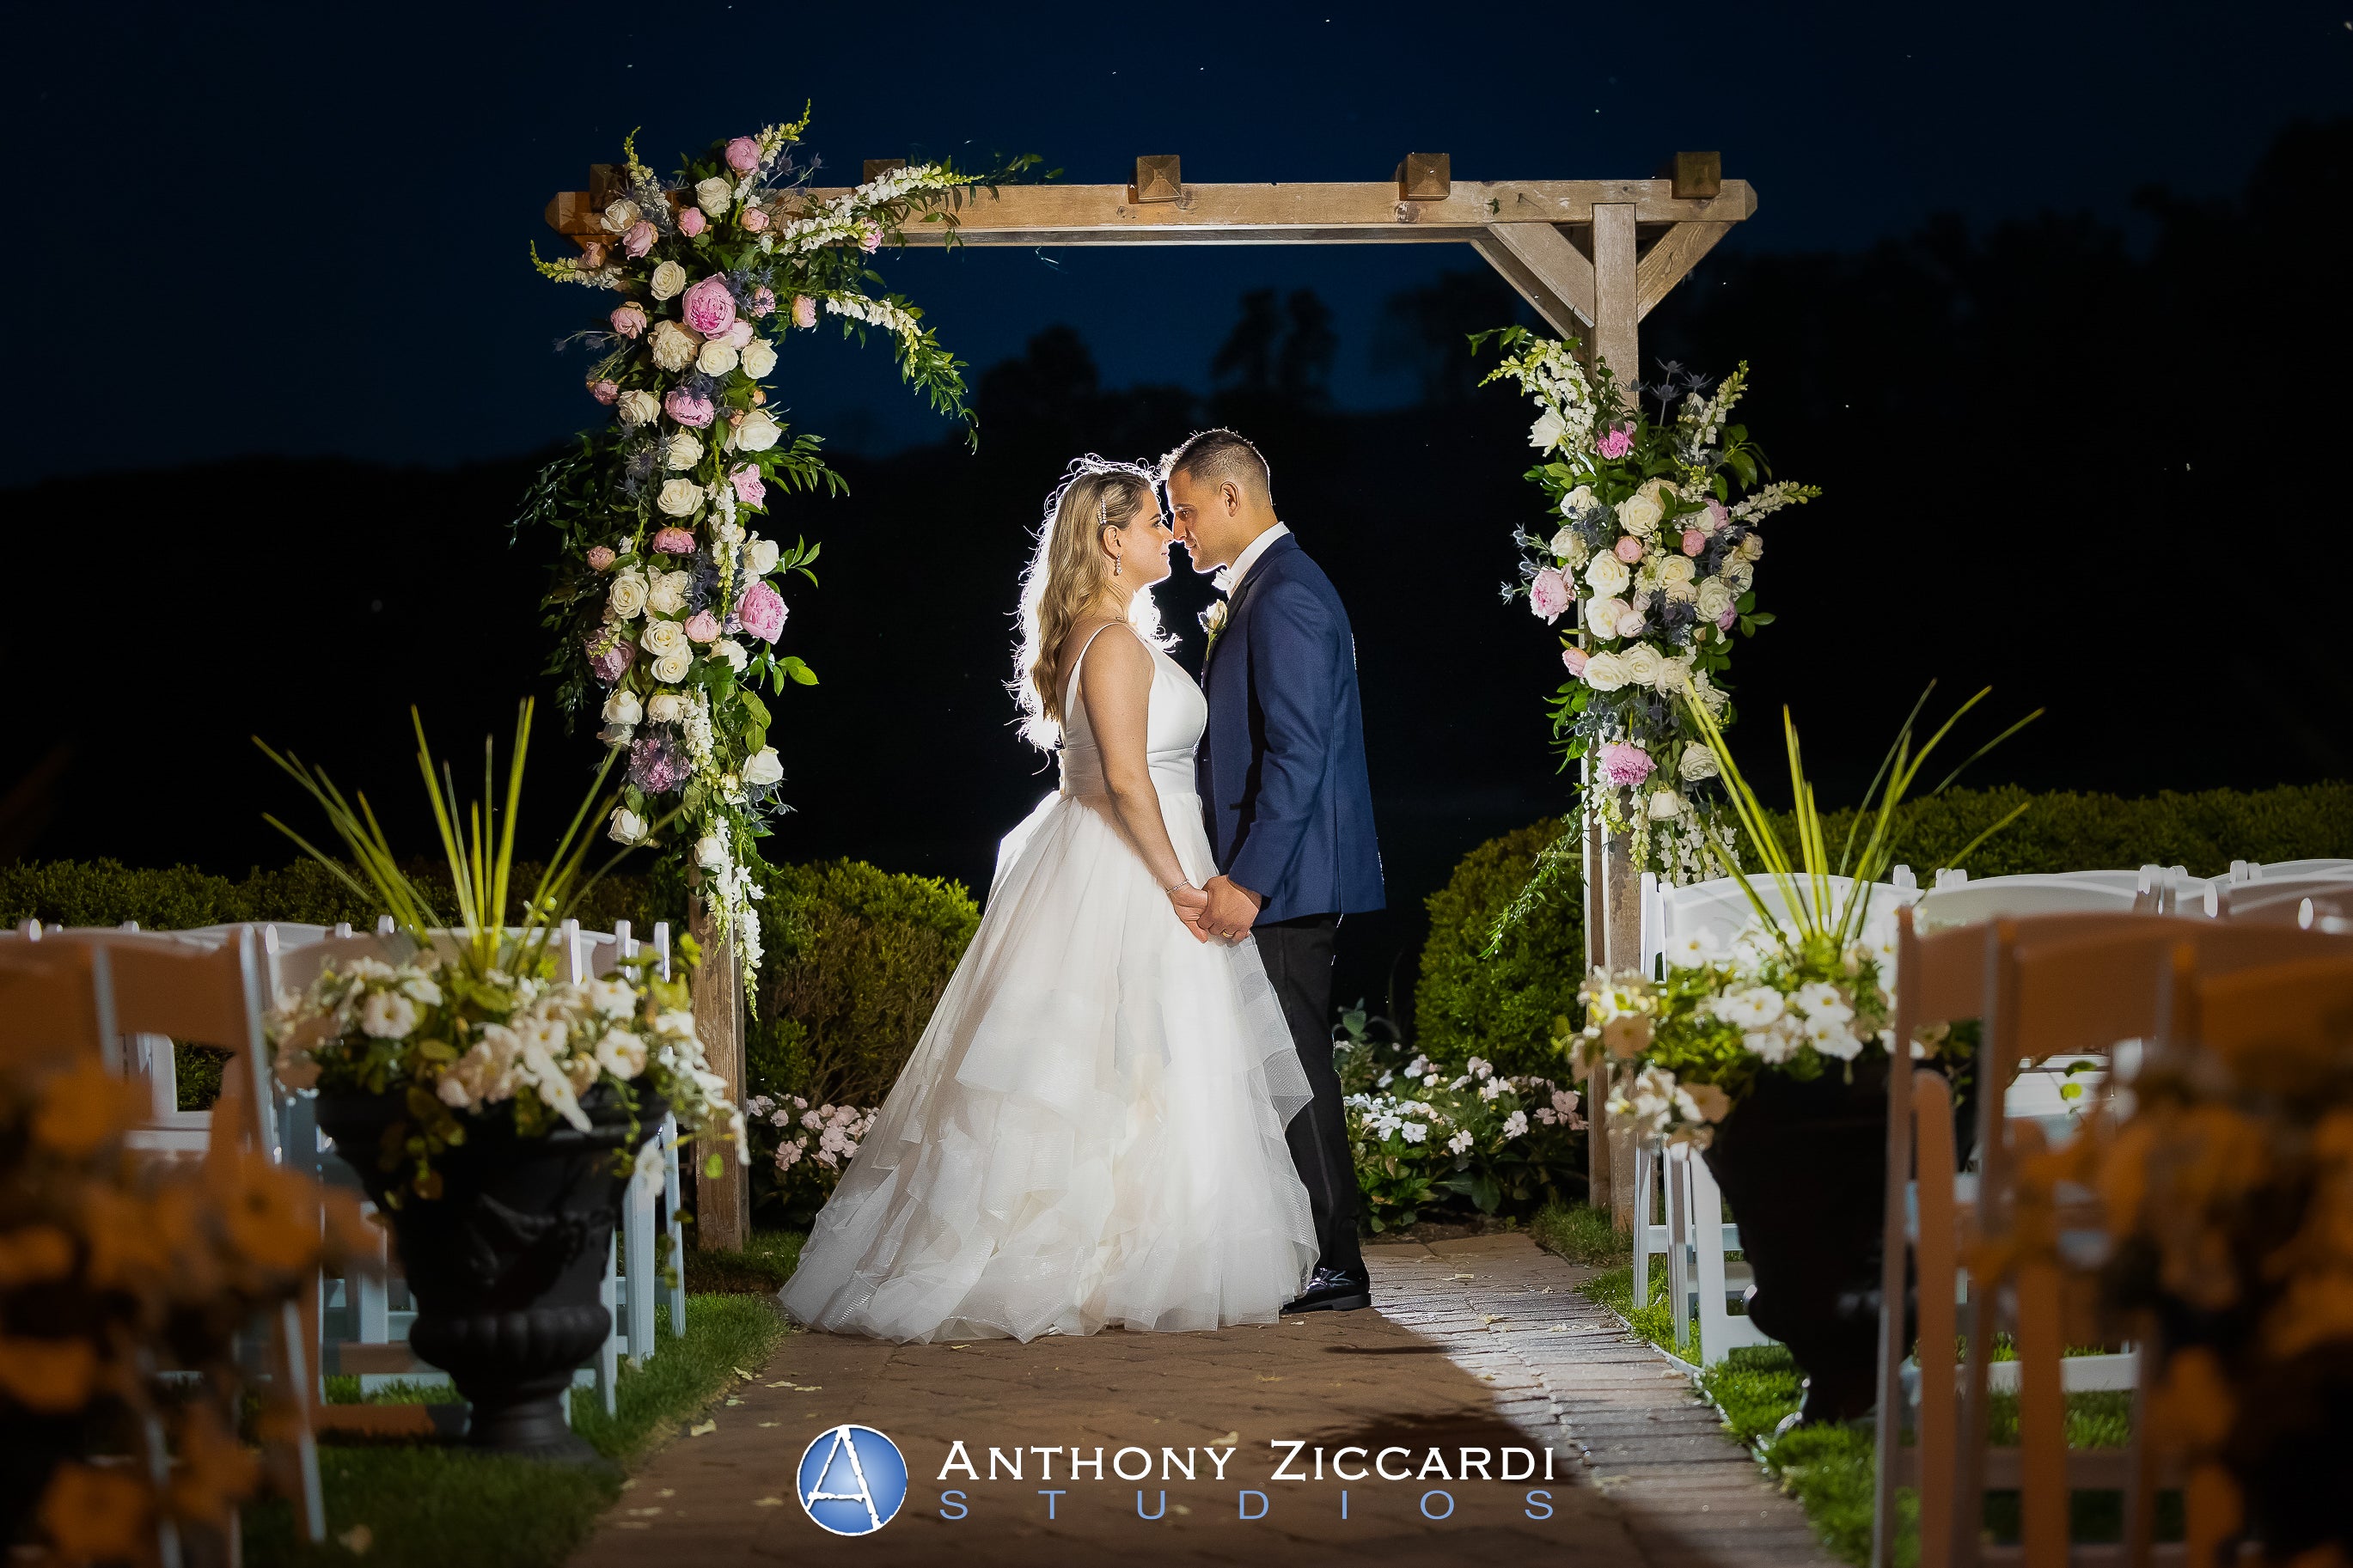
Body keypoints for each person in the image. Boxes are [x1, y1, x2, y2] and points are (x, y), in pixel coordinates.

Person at [781, 458, 1318, 1342]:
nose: (1168, 533)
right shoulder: (1107, 643)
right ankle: (1086, 1258)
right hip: (1127, 870)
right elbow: (1120, 781)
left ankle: (1134, 1248)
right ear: (1111, 541)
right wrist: (1180, 885)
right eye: (1153, 521)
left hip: (1131, 857)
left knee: (1141, 1063)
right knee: (1101, 1062)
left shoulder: (1107, 633)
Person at [1163, 428, 1385, 1315]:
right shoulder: (1267, 586)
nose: (1179, 530)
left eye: (1183, 511)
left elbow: (1296, 754)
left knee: (1295, 1064)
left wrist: (1247, 880)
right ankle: (1320, 1253)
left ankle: (1340, 1262)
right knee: (1282, 1061)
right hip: (1284, 871)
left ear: (1230, 497)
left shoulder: (1285, 594)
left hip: (1288, 878)